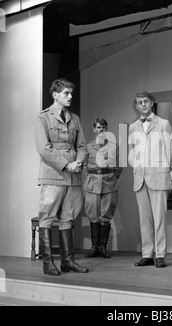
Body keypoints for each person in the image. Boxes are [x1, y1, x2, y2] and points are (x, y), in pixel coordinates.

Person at [35, 78, 89, 276]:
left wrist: (79, 162)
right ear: (55, 95)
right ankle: (48, 263)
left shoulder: (74, 118)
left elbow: (82, 146)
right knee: (47, 218)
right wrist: (67, 164)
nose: (70, 96)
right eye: (66, 93)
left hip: (73, 177)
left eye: (71, 93)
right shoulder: (43, 118)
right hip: (54, 175)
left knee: (68, 218)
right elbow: (43, 148)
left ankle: (68, 261)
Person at [128, 92, 172, 268]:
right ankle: (147, 254)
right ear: (137, 106)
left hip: (158, 176)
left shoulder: (163, 124)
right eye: (140, 102)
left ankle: (160, 254)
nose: (143, 105)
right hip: (140, 178)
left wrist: (166, 170)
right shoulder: (132, 127)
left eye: (146, 101)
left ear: (152, 103)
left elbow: (170, 149)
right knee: (144, 218)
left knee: (160, 217)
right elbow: (132, 151)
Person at [83, 118, 122, 258]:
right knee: (93, 214)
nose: (101, 130)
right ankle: (94, 247)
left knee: (106, 214)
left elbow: (119, 166)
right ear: (94, 129)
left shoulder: (113, 146)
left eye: (103, 128)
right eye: (98, 127)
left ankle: (103, 247)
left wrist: (112, 177)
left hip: (108, 183)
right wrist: (88, 179)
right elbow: (84, 166)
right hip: (92, 183)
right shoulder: (88, 147)